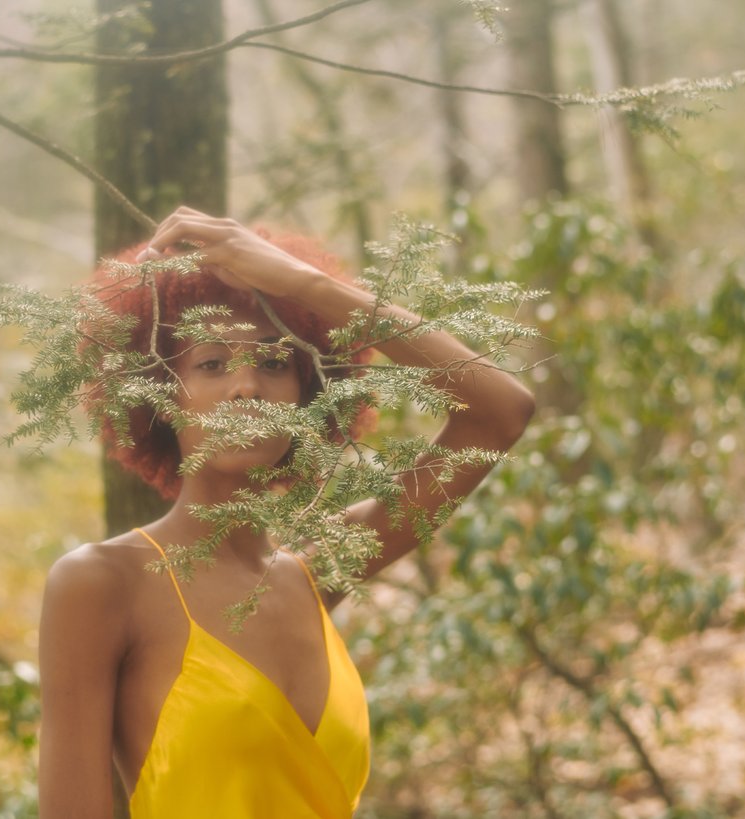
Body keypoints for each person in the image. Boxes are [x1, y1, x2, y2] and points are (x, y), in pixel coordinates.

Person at [37, 207, 535, 818]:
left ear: (308, 391)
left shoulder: (319, 570)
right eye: (212, 363)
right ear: (162, 396)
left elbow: (501, 411)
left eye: (274, 362)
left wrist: (304, 284)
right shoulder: (100, 584)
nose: (246, 386)